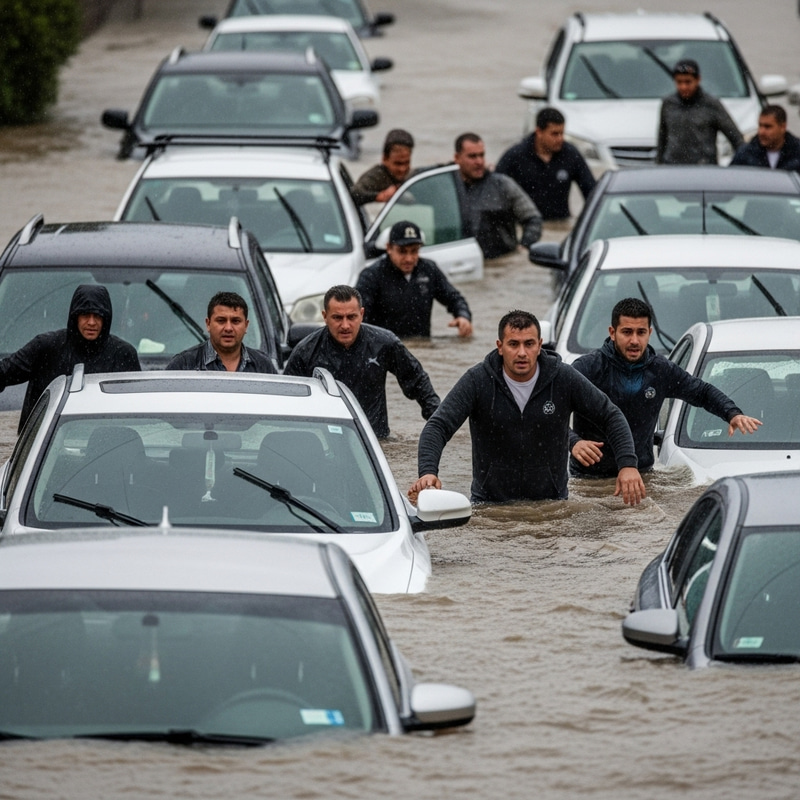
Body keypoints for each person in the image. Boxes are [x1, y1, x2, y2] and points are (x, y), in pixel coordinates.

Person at [409, 309, 645, 505]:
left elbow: (610, 415)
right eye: (513, 344)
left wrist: (628, 465)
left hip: (552, 505)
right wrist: (428, 472)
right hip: (491, 506)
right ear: (500, 346)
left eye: (529, 344)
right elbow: (438, 426)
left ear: (540, 345)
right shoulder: (478, 381)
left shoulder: (563, 378)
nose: (522, 353)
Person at [569, 297, 762, 479]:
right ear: (612, 332)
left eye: (641, 332)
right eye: (627, 332)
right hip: (588, 480)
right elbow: (548, 411)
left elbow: (701, 392)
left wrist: (732, 413)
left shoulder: (660, 370)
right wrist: (573, 442)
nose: (635, 341)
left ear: (650, 333)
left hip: (641, 475)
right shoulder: (587, 369)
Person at [283, 285, 440, 438]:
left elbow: (418, 382)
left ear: (362, 314)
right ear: (324, 316)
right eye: (337, 317)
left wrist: (438, 424)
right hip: (325, 438)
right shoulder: (305, 351)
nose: (345, 325)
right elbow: (287, 401)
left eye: (351, 317)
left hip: (374, 440)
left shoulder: (385, 343)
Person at [0, 284, 141, 433]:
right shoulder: (46, 347)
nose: (92, 322)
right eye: (85, 315)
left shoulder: (122, 354)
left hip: (103, 444)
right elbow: (5, 372)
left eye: (98, 316)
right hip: (43, 445)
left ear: (106, 319)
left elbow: (139, 406)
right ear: (75, 317)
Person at [356, 220, 473, 338]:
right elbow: (358, 316)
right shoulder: (371, 275)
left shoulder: (429, 270)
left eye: (414, 251)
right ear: (389, 248)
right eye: (402, 252)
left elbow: (454, 298)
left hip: (423, 345)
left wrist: (463, 316)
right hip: (384, 348)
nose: (409, 258)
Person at [495, 107, 596, 220]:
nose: (560, 139)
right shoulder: (515, 156)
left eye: (562, 133)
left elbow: (591, 192)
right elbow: (495, 192)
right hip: (525, 224)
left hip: (560, 223)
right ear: (539, 132)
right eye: (554, 134)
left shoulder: (571, 155)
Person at [453, 132, 543, 259]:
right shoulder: (447, 187)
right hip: (462, 260)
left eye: (481, 155)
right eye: (472, 156)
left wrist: (525, 245)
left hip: (501, 260)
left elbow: (533, 219)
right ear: (457, 158)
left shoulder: (502, 185)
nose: (479, 161)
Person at [656, 58, 743, 165]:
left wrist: (739, 165)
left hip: (703, 169)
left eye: (688, 82)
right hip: (673, 168)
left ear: (698, 80)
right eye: (679, 82)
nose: (683, 87)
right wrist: (659, 165)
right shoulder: (668, 104)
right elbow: (662, 139)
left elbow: (735, 137)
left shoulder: (711, 105)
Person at [166, 291, 276, 373]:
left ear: (246, 326)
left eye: (235, 321)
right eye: (221, 321)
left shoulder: (263, 366)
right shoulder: (184, 365)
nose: (228, 328)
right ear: (208, 324)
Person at [351, 128, 416, 206]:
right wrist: (380, 196)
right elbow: (355, 194)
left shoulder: (413, 178)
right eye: (398, 164)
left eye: (406, 163)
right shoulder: (375, 177)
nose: (403, 169)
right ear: (385, 159)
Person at [730, 104, 800, 171]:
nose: (761, 132)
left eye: (767, 127)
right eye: (760, 126)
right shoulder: (745, 154)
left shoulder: (797, 153)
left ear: (782, 127)